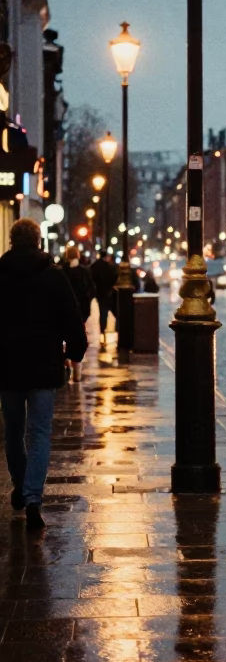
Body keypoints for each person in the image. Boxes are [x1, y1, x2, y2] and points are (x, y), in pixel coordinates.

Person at [0, 218, 88, 528]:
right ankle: (33, 496)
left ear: (12, 241)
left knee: (12, 431)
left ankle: (20, 486)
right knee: (38, 433)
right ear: (38, 241)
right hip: (43, 366)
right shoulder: (53, 276)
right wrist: (73, 354)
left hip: (7, 366)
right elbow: (72, 319)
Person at [60, 244, 96, 380]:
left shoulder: (61, 271)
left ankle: (66, 362)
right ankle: (77, 370)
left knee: (63, 336)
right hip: (81, 310)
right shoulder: (84, 271)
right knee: (77, 337)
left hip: (64, 310)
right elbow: (91, 289)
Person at [89, 249, 118, 343]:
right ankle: (116, 329)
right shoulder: (109, 266)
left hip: (100, 293)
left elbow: (91, 278)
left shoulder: (94, 266)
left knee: (102, 312)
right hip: (109, 293)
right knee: (115, 312)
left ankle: (102, 331)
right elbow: (114, 278)